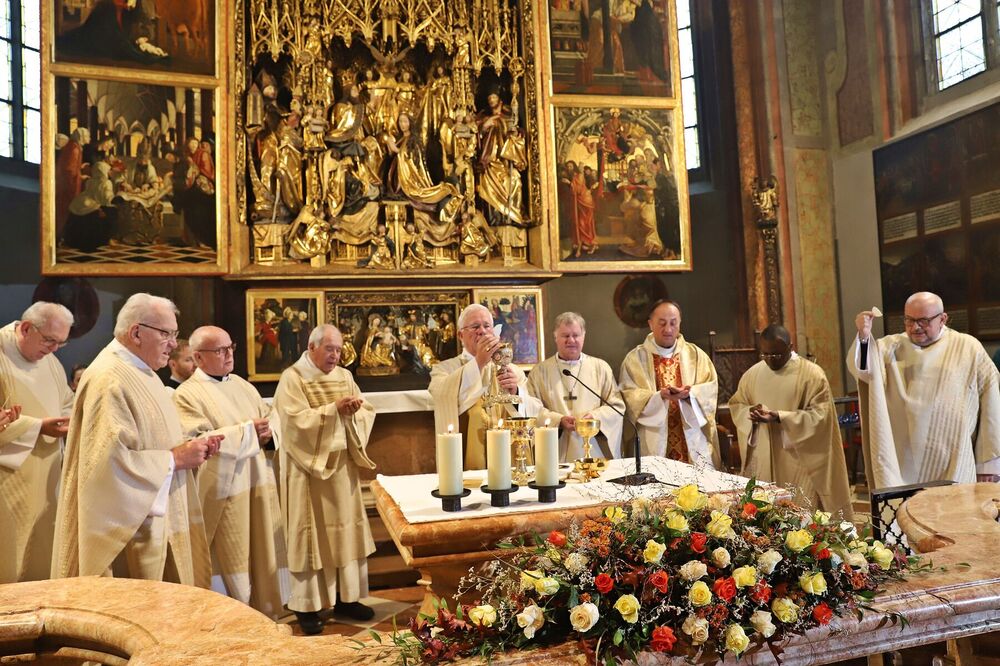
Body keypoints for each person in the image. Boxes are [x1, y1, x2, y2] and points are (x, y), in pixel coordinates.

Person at [52, 293, 222, 585]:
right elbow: (106, 464)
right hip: (130, 531)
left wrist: (191, 448)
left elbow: (151, 438)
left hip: (158, 515)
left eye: (175, 334)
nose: (173, 344)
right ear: (136, 333)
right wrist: (175, 458)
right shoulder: (109, 378)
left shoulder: (143, 372)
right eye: (166, 334)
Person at [172, 326, 289, 618]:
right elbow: (198, 440)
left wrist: (267, 433)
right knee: (231, 555)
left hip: (258, 482)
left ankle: (265, 615)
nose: (229, 355)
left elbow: (269, 418)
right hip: (224, 493)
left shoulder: (242, 385)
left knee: (262, 553)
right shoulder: (187, 395)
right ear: (198, 357)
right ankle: (235, 620)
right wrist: (248, 433)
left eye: (230, 347)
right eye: (220, 350)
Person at [273, 325, 378, 634]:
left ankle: (347, 598)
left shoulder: (345, 377)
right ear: (312, 347)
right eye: (330, 349)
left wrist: (355, 412)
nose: (336, 355)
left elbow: (365, 410)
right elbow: (293, 422)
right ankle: (306, 605)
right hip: (309, 473)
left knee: (346, 532)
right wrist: (334, 410)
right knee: (310, 538)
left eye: (339, 349)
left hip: (342, 470)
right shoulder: (292, 378)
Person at [847, 292, 1000, 488]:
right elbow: (863, 371)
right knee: (904, 514)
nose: (915, 327)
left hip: (953, 459)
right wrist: (864, 336)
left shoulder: (968, 348)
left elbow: (991, 406)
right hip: (902, 460)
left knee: (953, 514)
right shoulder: (889, 347)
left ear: (943, 319)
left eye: (924, 321)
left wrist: (988, 464)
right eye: (909, 320)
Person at [728, 325, 853, 518]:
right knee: (767, 517)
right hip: (765, 458)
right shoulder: (752, 375)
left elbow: (821, 416)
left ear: (790, 347)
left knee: (801, 520)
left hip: (800, 460)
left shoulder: (811, 374)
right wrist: (750, 414)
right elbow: (737, 405)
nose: (771, 360)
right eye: (766, 354)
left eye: (777, 354)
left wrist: (780, 417)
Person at [0, 302, 75, 582]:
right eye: (50, 340)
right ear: (27, 328)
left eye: (61, 344)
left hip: (48, 473)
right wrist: (37, 427)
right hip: (8, 478)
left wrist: (67, 420)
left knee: (42, 558)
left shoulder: (49, 360)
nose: (54, 349)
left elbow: (67, 402)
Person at [428, 304, 541, 470]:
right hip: (468, 459)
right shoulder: (444, 369)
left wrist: (516, 393)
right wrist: (479, 362)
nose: (482, 331)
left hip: (511, 461)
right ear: (460, 335)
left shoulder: (513, 370)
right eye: (475, 326)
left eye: (487, 326)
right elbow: (442, 396)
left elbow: (534, 409)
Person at [619, 300, 720, 467]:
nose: (668, 329)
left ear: (680, 324)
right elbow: (630, 398)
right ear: (650, 324)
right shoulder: (635, 360)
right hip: (653, 438)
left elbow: (710, 390)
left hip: (692, 437)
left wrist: (691, 395)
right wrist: (659, 397)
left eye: (673, 323)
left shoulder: (696, 356)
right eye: (662, 323)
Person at [526, 312, 624, 461]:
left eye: (576, 335)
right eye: (565, 336)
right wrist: (558, 420)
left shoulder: (600, 368)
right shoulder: (540, 372)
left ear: (583, 337)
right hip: (554, 453)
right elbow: (531, 409)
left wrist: (594, 418)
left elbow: (616, 406)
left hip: (594, 451)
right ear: (555, 337)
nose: (571, 340)